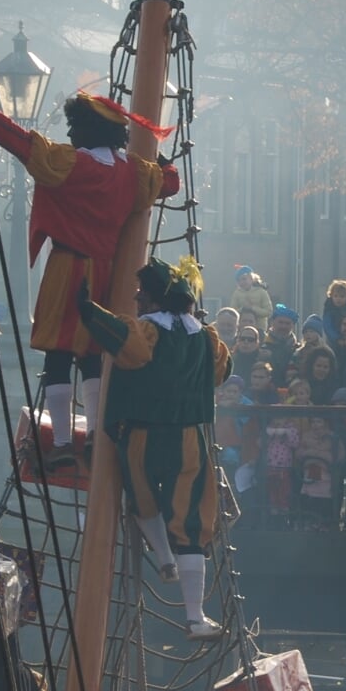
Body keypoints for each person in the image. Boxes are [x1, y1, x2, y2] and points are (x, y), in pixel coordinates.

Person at [0, 76, 179, 468]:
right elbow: (170, 183)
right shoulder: (133, 172)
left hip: (68, 266)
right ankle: (93, 434)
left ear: (89, 130)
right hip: (108, 273)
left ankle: (61, 442)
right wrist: (161, 160)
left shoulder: (72, 164)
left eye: (75, 126)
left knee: (57, 355)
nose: (70, 132)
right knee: (92, 356)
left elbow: (26, 146)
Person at [74, 255, 231, 638]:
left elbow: (122, 341)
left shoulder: (147, 332)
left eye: (143, 293)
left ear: (157, 299)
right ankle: (195, 617)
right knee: (192, 517)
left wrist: (86, 307)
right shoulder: (206, 337)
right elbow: (221, 372)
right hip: (189, 438)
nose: (137, 298)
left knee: (142, 496)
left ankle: (164, 560)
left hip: (142, 435)